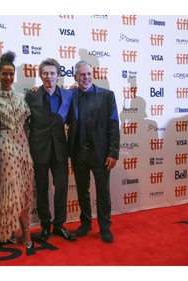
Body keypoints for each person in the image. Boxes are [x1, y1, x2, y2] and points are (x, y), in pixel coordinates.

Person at [67, 60, 120, 243]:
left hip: (101, 154)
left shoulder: (107, 96)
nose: (86, 77)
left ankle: (105, 227)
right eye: (82, 74)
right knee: (82, 190)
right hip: (78, 152)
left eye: (89, 74)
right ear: (75, 77)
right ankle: (86, 223)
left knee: (103, 192)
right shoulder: (69, 95)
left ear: (93, 75)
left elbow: (114, 125)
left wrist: (113, 153)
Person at [25, 58, 76, 242]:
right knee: (42, 188)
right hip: (38, 148)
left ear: (58, 75)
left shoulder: (68, 95)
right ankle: (45, 225)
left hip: (60, 148)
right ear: (40, 76)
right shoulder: (31, 96)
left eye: (52, 73)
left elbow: (73, 119)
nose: (49, 77)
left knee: (62, 187)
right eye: (45, 73)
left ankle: (59, 224)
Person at [0, 51, 34, 249]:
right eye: (4, 74)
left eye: (11, 74)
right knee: (11, 189)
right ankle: (19, 231)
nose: (8, 77)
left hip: (23, 147)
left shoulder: (22, 97)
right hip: (5, 147)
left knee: (24, 190)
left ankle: (20, 229)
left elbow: (29, 122)